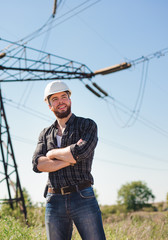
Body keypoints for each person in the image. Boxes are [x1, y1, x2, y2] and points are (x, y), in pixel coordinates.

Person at [32, 80, 106, 240]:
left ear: (70, 99)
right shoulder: (45, 134)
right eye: (55, 99)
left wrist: (51, 154)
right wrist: (72, 158)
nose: (61, 102)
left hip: (82, 196)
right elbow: (38, 164)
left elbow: (82, 150)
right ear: (50, 105)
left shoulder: (87, 125)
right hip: (54, 199)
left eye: (64, 96)